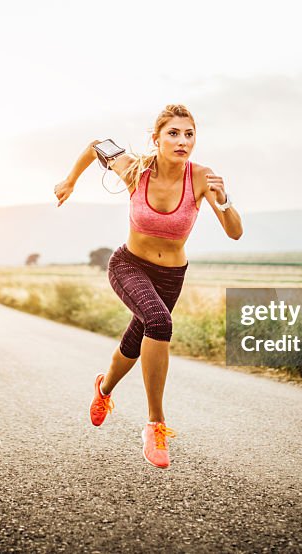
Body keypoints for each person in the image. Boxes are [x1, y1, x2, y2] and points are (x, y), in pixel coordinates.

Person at [53, 104, 243, 468]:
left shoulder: (203, 178)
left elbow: (234, 232)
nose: (182, 141)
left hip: (171, 275)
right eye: (173, 133)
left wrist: (225, 199)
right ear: (155, 139)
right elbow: (97, 145)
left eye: (189, 134)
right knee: (159, 323)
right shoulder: (135, 168)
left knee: (137, 339)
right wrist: (70, 181)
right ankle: (156, 424)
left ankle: (103, 389)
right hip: (128, 265)